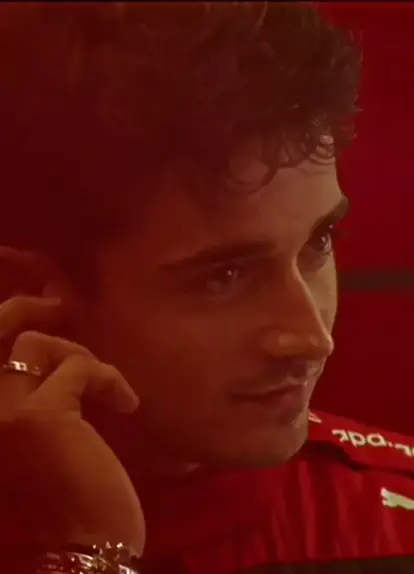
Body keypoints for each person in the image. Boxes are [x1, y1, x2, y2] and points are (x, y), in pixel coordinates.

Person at [0, 2, 413, 573]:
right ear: (22, 290)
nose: (313, 339)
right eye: (225, 276)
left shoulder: (395, 530)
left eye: (319, 241)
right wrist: (88, 552)